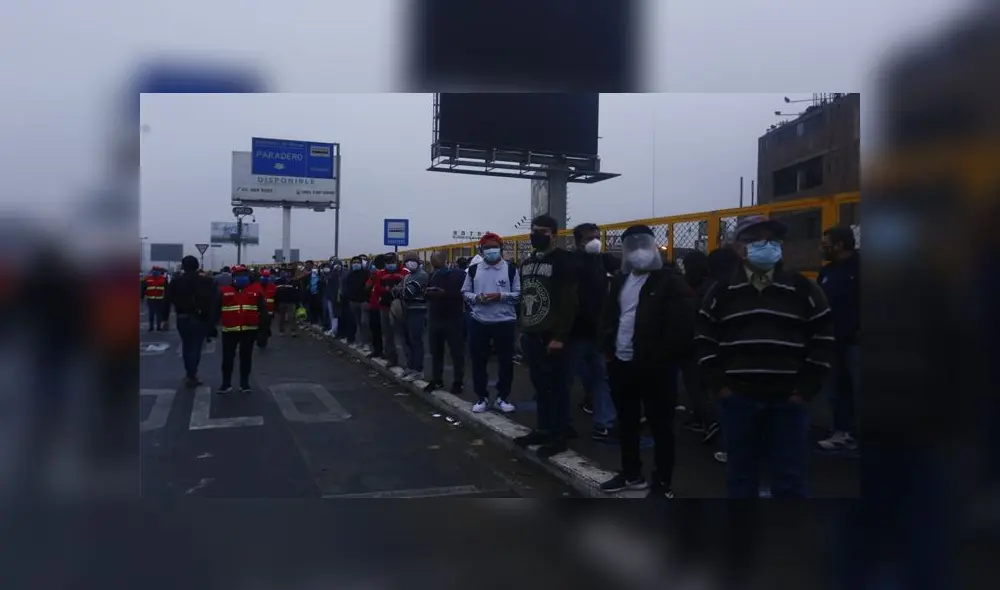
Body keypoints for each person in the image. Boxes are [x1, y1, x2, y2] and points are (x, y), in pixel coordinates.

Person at [696, 215, 834, 498]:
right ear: (739, 248)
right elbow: (704, 340)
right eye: (756, 240)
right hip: (738, 401)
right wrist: (720, 388)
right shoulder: (721, 291)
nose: (766, 245)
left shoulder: (803, 289)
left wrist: (804, 391)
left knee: (790, 478)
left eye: (772, 240)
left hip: (788, 402)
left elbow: (823, 339)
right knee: (741, 477)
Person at [597, 224, 695, 497]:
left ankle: (662, 482)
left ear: (653, 247)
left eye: (644, 245)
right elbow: (609, 316)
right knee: (626, 422)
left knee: (661, 425)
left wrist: (661, 357)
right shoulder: (619, 280)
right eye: (632, 246)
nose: (638, 251)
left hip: (656, 368)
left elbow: (682, 327)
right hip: (621, 363)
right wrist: (607, 348)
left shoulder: (670, 281)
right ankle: (631, 473)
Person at [512, 215, 577, 458]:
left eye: (543, 231)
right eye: (534, 230)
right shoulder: (527, 262)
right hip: (532, 334)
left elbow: (568, 302)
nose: (536, 235)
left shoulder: (563, 261)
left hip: (552, 335)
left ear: (554, 235)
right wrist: (523, 330)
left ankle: (558, 436)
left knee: (557, 387)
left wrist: (560, 335)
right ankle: (543, 429)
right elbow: (525, 297)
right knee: (540, 387)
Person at [568, 222, 619, 441]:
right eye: (590, 238)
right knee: (568, 378)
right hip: (574, 332)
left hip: (597, 332)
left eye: (597, 237)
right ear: (577, 241)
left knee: (600, 376)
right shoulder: (571, 263)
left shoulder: (603, 261)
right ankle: (562, 424)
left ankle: (604, 423)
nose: (595, 242)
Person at [462, 233, 520, 414]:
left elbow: (518, 294)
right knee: (478, 361)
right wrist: (477, 298)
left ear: (501, 248)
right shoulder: (474, 270)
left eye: (494, 247)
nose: (491, 251)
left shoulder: (511, 269)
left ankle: (502, 397)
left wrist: (500, 296)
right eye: (486, 248)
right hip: (479, 321)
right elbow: (465, 292)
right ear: (481, 250)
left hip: (505, 321)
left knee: (505, 361)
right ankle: (482, 397)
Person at [816, 225, 860, 453]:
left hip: (857, 342)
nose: (823, 248)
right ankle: (842, 432)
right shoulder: (827, 272)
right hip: (833, 341)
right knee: (837, 389)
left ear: (840, 244)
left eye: (826, 244)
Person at [216, 265, 269, 394]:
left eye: (244, 275)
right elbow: (215, 309)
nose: (242, 278)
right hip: (229, 330)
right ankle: (226, 384)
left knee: (246, 358)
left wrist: (264, 332)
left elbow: (263, 312)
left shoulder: (256, 290)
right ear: (233, 277)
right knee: (227, 359)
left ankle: (244, 384)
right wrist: (210, 327)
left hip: (249, 330)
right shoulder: (224, 291)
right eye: (239, 275)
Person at [165, 255, 217, 387]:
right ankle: (192, 375)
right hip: (199, 318)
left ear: (183, 266)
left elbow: (167, 300)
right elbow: (213, 303)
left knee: (186, 346)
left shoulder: (176, 281)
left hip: (181, 317)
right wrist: (212, 322)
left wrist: (165, 319)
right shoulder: (207, 281)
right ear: (197, 266)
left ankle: (189, 374)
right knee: (196, 347)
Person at [424, 251, 467, 394]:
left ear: (443, 260)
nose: (433, 262)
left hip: (453, 318)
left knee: (456, 352)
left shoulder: (459, 275)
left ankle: (458, 382)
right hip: (435, 318)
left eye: (435, 260)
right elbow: (426, 294)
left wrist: (445, 294)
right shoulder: (432, 275)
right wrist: (428, 293)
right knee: (436, 352)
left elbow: (463, 294)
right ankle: (437, 380)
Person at [397, 252, 429, 380]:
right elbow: (396, 290)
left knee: (416, 341)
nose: (410, 263)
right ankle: (410, 367)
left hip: (418, 311)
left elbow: (408, 292)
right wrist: (400, 290)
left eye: (412, 260)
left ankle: (418, 370)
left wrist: (401, 291)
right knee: (407, 340)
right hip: (407, 311)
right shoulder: (407, 277)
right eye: (407, 261)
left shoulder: (422, 275)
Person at [343, 256, 371, 348]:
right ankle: (361, 342)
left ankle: (367, 343)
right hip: (353, 301)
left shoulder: (366, 273)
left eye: (358, 262)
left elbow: (369, 286)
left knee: (364, 322)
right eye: (354, 262)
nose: (356, 264)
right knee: (358, 322)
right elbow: (346, 286)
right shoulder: (349, 274)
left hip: (364, 301)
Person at [366, 255, 387, 359]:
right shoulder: (374, 275)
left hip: (383, 306)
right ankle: (377, 350)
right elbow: (367, 286)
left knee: (384, 331)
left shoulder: (386, 275)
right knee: (375, 329)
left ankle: (383, 352)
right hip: (374, 305)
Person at [274, 269, 300, 337]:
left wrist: (297, 303)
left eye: (289, 273)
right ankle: (281, 331)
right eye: (286, 273)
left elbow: (297, 293)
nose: (287, 274)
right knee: (281, 318)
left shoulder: (295, 282)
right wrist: (276, 304)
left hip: (291, 302)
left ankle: (293, 331)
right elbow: (276, 293)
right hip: (281, 302)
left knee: (292, 317)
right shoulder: (278, 282)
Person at [256, 268, 278, 348]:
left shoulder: (273, 287)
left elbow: (276, 299)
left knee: (266, 325)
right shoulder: (257, 287)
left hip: (269, 311)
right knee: (259, 326)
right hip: (259, 311)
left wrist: (276, 309)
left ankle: (264, 337)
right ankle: (260, 339)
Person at [142, 266, 168, 331]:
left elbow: (167, 289)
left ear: (159, 272)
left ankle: (159, 327)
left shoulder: (163, 279)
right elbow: (143, 288)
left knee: (159, 313)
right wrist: (141, 297)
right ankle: (151, 327)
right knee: (151, 313)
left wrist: (167, 298)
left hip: (160, 299)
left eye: (157, 271)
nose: (156, 272)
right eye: (154, 271)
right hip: (150, 299)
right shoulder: (147, 279)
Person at [323, 260, 341, 336]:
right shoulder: (331, 273)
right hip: (330, 296)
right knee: (331, 313)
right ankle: (333, 329)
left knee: (336, 314)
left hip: (338, 296)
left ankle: (335, 330)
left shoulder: (341, 273)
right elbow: (326, 280)